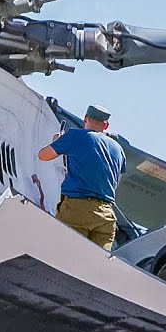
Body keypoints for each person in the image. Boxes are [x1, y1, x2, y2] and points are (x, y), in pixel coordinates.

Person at [36, 105, 127, 251]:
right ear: (106, 125)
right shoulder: (119, 150)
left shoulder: (75, 136)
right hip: (106, 216)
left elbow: (43, 156)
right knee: (94, 266)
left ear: (85, 118)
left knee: (62, 257)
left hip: (77, 210)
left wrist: (57, 142)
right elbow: (115, 182)